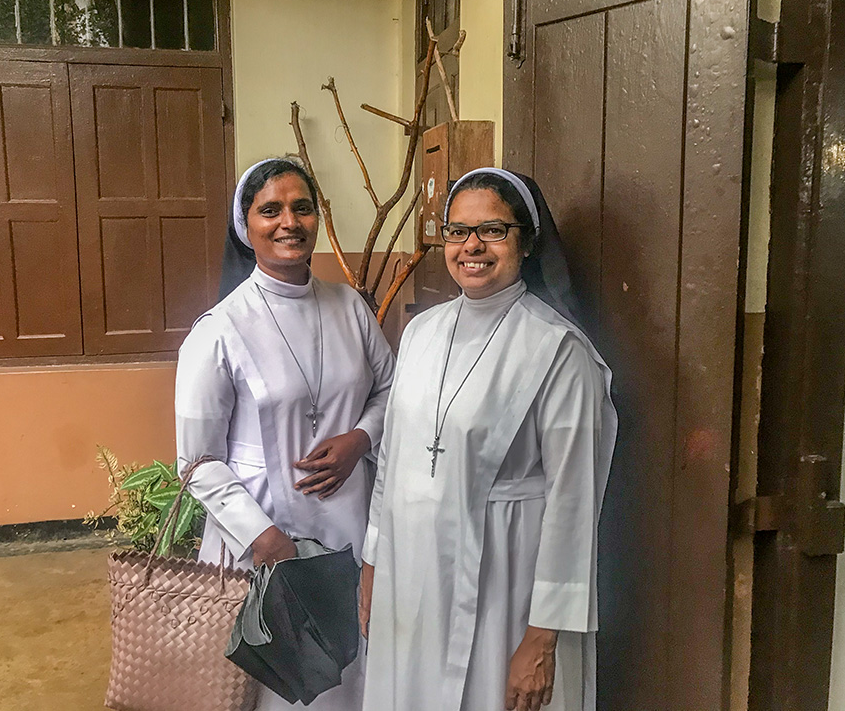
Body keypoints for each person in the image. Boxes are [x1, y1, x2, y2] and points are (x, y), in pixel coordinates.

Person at [359, 168, 617, 711]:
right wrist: (373, 564)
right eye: (457, 231)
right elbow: (391, 463)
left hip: (506, 577)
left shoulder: (559, 350)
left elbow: (575, 503)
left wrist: (542, 638)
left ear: (526, 242)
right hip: (413, 576)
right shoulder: (420, 332)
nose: (471, 245)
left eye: (493, 230)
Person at [175, 158, 395, 711]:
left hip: (347, 519)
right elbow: (197, 461)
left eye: (301, 208)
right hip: (260, 531)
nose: (288, 222)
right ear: (245, 226)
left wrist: (360, 439)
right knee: (271, 687)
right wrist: (261, 539)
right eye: (269, 210)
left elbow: (393, 392)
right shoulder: (218, 330)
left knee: (347, 673)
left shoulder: (350, 307)